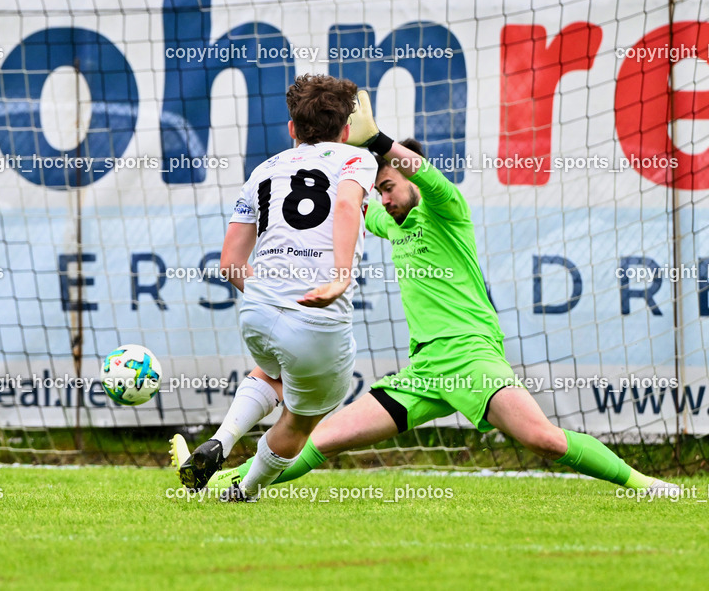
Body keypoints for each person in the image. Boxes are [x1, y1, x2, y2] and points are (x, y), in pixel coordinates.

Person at [173, 90, 680, 498]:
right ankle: (217, 480)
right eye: (380, 191)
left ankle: (646, 485)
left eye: (389, 187)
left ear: (408, 175)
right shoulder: (389, 220)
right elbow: (338, 205)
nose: (385, 199)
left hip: (472, 356)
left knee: (542, 439)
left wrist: (379, 143)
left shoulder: (446, 208)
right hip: (423, 371)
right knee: (318, 440)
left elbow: (418, 176)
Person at [173, 74, 377, 502]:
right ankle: (245, 491)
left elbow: (229, 265)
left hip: (258, 313)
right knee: (304, 418)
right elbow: (343, 202)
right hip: (316, 320)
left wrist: (272, 293)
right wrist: (339, 276)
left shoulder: (264, 170)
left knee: (272, 372)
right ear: (345, 129)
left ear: (292, 129)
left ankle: (221, 443)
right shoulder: (358, 159)